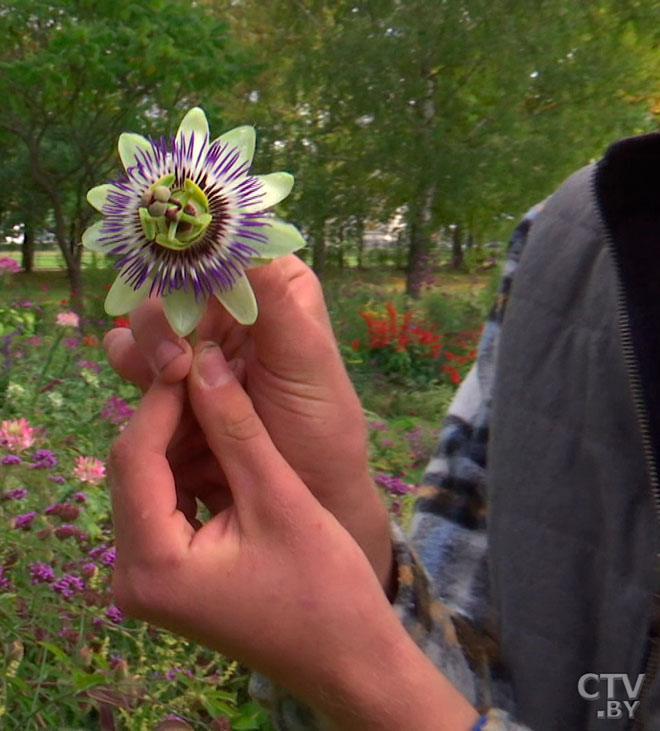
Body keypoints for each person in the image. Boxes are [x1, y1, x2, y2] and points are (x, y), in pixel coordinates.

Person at [102, 131, 660, 729]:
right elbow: (478, 666)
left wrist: (353, 670)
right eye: (166, 208)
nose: (170, 206)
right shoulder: (571, 231)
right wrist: (333, 512)